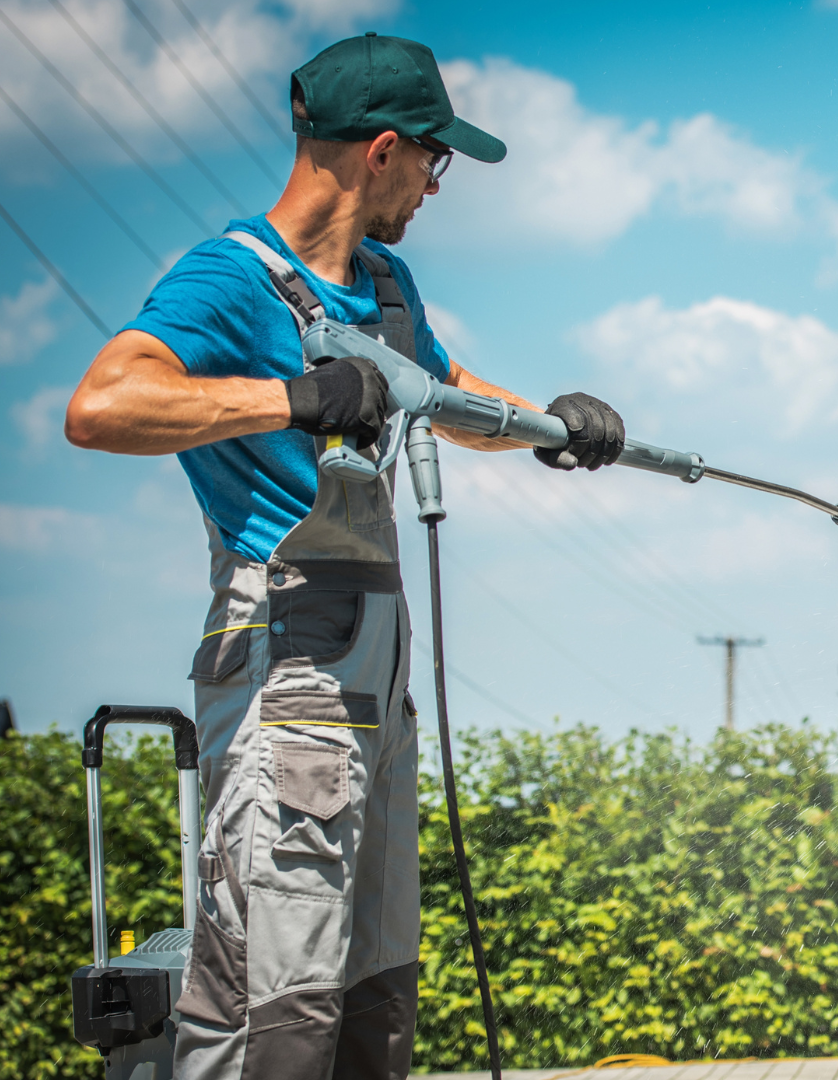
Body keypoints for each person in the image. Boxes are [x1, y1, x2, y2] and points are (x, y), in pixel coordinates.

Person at [64, 33, 623, 1080]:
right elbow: (101, 405)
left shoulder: (387, 284)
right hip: (290, 666)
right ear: (380, 151)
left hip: (380, 671)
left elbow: (450, 393)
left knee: (371, 987)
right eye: (434, 160)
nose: (435, 185)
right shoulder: (228, 282)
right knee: (275, 1001)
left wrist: (554, 427)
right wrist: (290, 398)